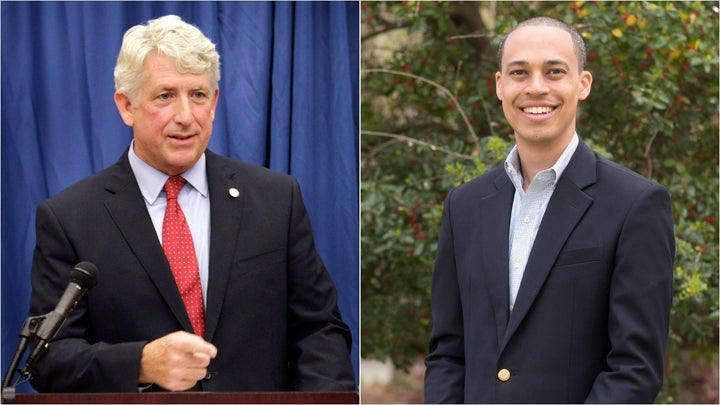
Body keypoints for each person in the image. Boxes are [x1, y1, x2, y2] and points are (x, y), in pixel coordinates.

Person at [26, 15, 355, 393]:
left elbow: (319, 331)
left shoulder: (277, 199)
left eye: (197, 95)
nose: (185, 117)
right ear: (127, 105)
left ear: (213, 102)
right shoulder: (69, 218)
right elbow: (47, 358)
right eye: (165, 96)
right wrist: (140, 363)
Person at [424, 16, 674, 403]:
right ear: (500, 85)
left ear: (583, 84)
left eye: (554, 72)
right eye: (520, 72)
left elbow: (634, 369)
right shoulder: (464, 206)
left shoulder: (636, 205)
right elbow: (447, 353)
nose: (536, 87)